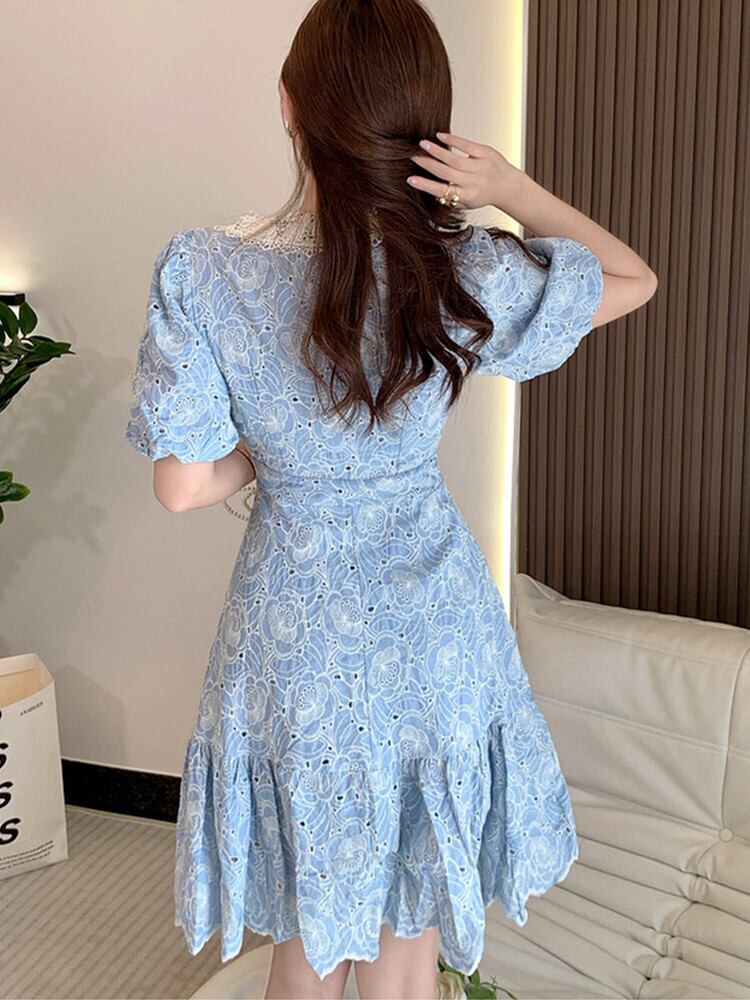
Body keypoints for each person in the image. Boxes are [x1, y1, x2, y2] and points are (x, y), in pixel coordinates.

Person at [124, 1, 657, 997]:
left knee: (308, 937)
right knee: (408, 938)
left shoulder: (205, 270)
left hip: (295, 636)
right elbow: (632, 278)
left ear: (290, 107)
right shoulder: (460, 266)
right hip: (434, 631)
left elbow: (184, 485)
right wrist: (509, 186)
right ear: (429, 132)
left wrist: (289, 449)